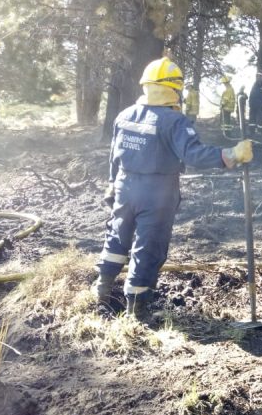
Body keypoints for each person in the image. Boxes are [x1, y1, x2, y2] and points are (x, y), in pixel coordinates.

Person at [91, 57, 253, 318]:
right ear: (174, 88)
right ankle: (136, 311)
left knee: (117, 236)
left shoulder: (125, 115)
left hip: (124, 185)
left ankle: (102, 289)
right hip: (157, 192)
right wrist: (232, 154)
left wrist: (112, 185)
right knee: (148, 246)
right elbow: (194, 155)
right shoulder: (174, 121)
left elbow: (114, 156)